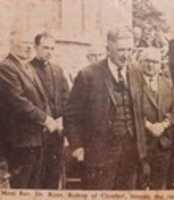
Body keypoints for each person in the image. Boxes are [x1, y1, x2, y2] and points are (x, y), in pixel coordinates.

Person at [64, 27, 147, 190]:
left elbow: (139, 111)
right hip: (99, 154)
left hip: (131, 154)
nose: (126, 55)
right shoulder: (88, 75)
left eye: (129, 49)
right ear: (108, 50)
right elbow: (71, 115)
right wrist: (77, 146)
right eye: (121, 50)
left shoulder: (136, 71)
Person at [0, 29, 61, 188]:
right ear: (12, 44)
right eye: (23, 44)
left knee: (34, 187)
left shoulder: (26, 67)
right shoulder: (6, 67)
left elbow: (41, 99)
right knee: (22, 187)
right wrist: (45, 119)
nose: (28, 48)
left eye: (29, 44)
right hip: (20, 141)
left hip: (35, 140)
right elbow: (18, 101)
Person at [30, 32, 70, 189]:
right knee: (35, 181)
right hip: (37, 135)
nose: (49, 52)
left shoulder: (58, 70)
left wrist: (62, 119)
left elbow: (68, 99)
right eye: (45, 47)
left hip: (56, 135)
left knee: (53, 180)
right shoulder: (27, 69)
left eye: (52, 48)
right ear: (36, 47)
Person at [137, 48, 174, 189]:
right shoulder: (132, 83)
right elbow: (128, 110)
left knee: (159, 185)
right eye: (147, 61)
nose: (151, 65)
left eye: (155, 62)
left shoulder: (167, 83)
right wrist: (148, 125)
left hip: (163, 145)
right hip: (140, 143)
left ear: (161, 64)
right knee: (139, 185)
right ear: (140, 62)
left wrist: (164, 125)